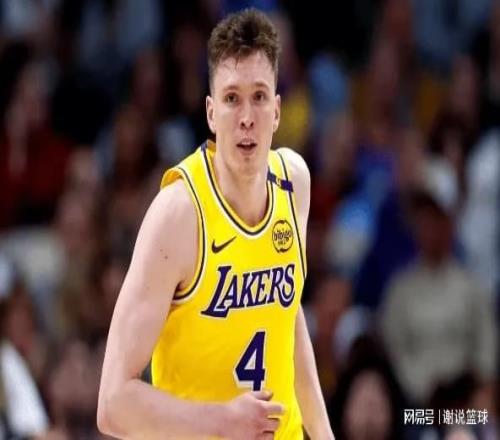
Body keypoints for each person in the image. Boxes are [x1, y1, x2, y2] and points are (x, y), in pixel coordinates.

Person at [97, 8, 334, 440]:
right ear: (210, 112)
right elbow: (112, 405)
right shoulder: (178, 214)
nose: (246, 116)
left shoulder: (294, 181)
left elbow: (287, 318)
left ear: (277, 110)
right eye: (231, 98)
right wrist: (223, 420)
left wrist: (323, 433)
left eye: (259, 96)